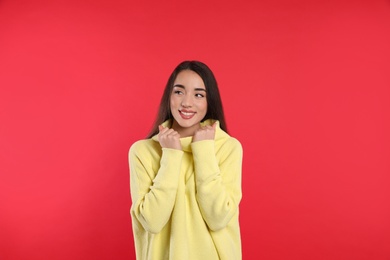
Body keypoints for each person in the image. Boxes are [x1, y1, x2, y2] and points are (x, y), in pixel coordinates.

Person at [128, 60, 243, 260]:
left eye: (199, 95)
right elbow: (152, 222)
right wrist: (171, 155)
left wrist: (204, 150)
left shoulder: (227, 147)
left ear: (209, 101)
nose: (187, 102)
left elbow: (218, 218)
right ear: (169, 97)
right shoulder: (143, 151)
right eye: (179, 92)